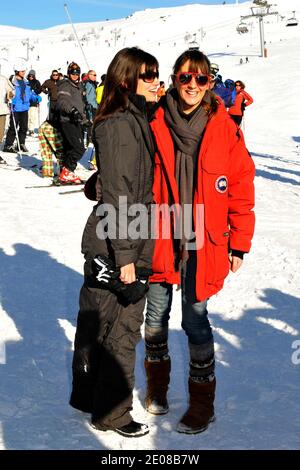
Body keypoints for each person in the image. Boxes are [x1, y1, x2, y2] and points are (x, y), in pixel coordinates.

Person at [144, 49, 255, 434]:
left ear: (210, 83)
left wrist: (239, 242)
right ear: (174, 79)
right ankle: (157, 388)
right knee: (154, 317)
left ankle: (201, 404)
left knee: (195, 320)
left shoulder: (225, 128)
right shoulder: (154, 119)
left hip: (204, 240)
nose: (192, 86)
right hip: (161, 232)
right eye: (185, 78)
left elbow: (240, 186)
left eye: (201, 79)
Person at [70, 47, 159, 437]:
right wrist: (127, 256)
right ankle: (112, 414)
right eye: (149, 74)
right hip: (122, 239)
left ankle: (88, 397)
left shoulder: (129, 118)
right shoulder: (123, 124)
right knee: (122, 327)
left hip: (113, 236)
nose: (158, 81)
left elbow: (112, 182)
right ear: (126, 80)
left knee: (98, 322)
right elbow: (121, 194)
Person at [56, 62, 86, 184]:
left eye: (77, 73)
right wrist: (72, 111)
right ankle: (68, 170)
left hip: (76, 120)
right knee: (79, 148)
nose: (75, 75)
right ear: (68, 74)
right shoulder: (65, 85)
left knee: (70, 148)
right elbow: (62, 102)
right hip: (68, 120)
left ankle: (65, 170)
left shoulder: (78, 86)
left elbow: (80, 106)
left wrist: (85, 119)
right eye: (73, 73)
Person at [3, 62, 32, 153]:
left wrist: (35, 97)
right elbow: (9, 94)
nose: (24, 72)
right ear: (17, 71)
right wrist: (11, 101)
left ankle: (21, 143)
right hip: (16, 108)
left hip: (25, 108)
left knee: (24, 127)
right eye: (22, 71)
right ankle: (8, 145)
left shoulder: (26, 82)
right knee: (13, 127)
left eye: (24, 71)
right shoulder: (12, 82)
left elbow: (28, 93)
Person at [0, 74, 14, 148]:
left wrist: (10, 95)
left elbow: (11, 90)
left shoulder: (3, 79)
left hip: (1, 110)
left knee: (0, 133)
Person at [27, 69, 42, 136]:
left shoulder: (36, 82)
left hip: (33, 102)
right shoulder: (26, 81)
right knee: (27, 116)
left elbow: (40, 90)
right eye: (30, 75)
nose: (31, 77)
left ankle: (31, 129)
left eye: (32, 75)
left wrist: (35, 92)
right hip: (26, 101)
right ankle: (26, 128)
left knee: (32, 116)